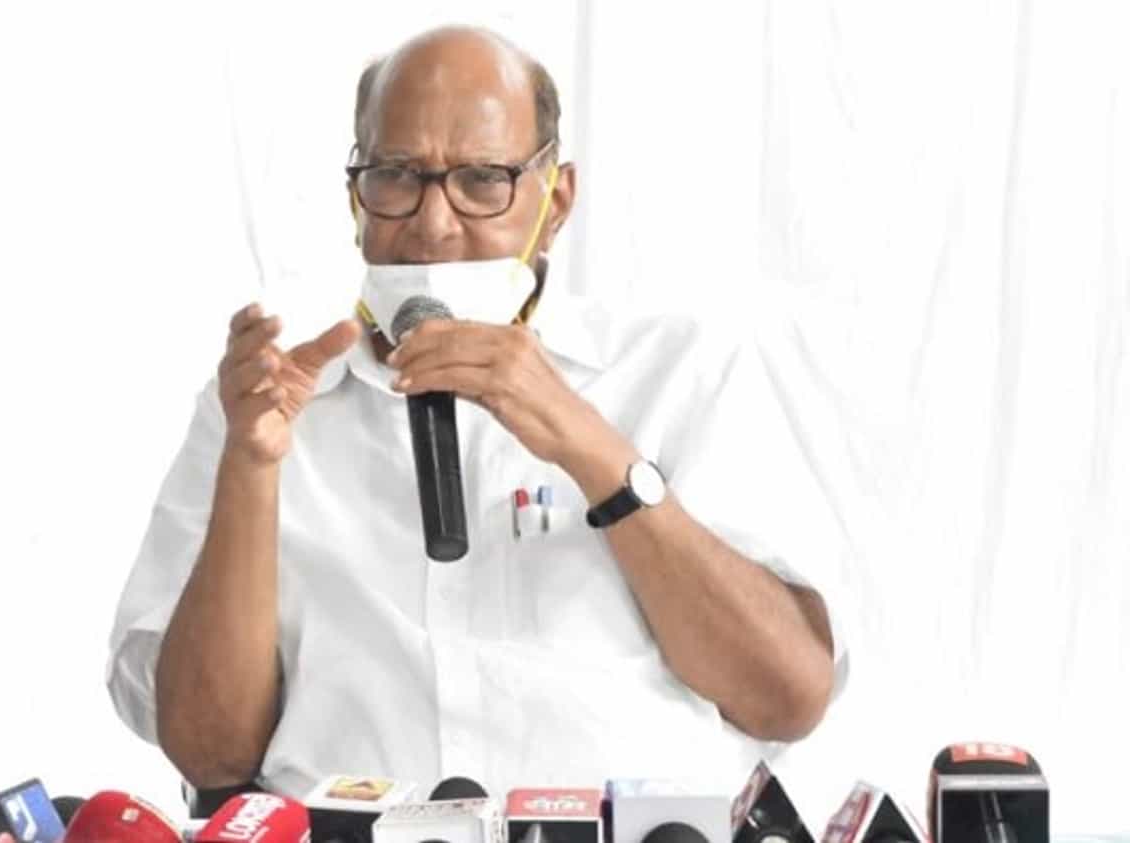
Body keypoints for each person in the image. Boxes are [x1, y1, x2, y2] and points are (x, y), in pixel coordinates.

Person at [107, 25, 850, 799]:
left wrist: (589, 444)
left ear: (555, 202)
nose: (434, 226)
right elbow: (210, 755)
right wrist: (252, 468)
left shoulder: (677, 370)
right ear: (356, 199)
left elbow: (788, 696)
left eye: (483, 179)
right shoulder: (265, 403)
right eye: (396, 176)